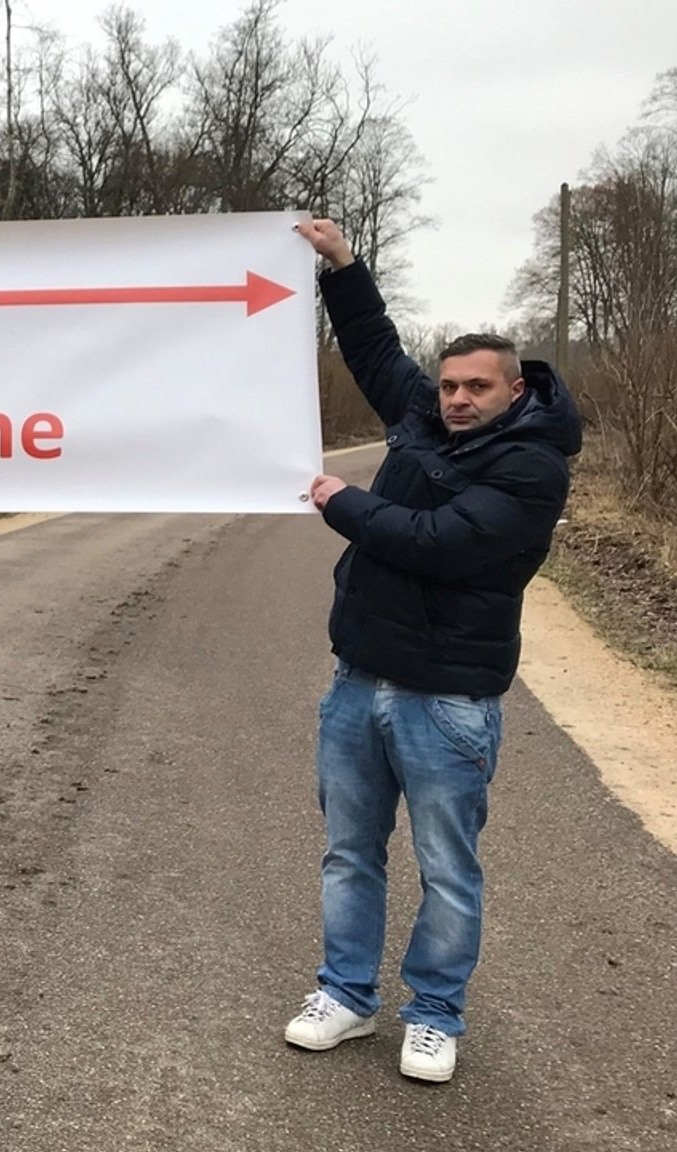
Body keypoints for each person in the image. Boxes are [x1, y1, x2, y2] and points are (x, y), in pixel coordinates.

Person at [284, 219, 582, 1082]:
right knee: (349, 851)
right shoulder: (422, 420)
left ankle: (434, 1015)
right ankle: (345, 996)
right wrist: (342, 267)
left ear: (515, 389)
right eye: (449, 385)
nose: (455, 398)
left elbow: (437, 542)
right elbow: (375, 348)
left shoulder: (534, 469)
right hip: (357, 683)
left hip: (447, 702)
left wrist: (340, 501)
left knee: (447, 867)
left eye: (475, 388)